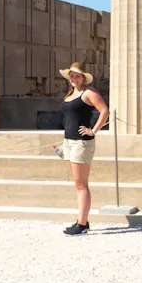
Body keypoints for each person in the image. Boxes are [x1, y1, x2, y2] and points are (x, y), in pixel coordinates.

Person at [58, 62, 109, 235]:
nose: (73, 78)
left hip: (82, 142)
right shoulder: (71, 94)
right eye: (71, 76)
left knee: (81, 185)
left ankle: (82, 224)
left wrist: (93, 131)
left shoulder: (89, 93)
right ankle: (82, 221)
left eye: (77, 76)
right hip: (68, 141)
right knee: (77, 184)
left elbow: (104, 111)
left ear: (83, 78)